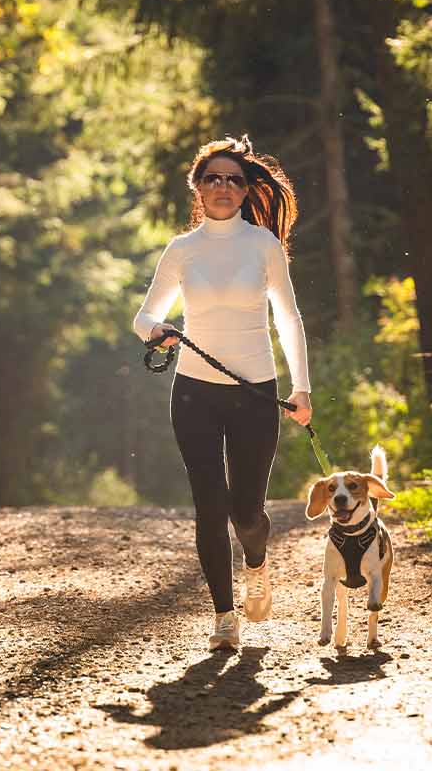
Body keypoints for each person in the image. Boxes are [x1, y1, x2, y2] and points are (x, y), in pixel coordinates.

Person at [132, 134, 312, 651]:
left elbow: (289, 319)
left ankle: (256, 562)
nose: (223, 186)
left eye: (234, 179)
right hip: (195, 394)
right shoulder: (182, 250)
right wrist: (157, 331)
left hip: (256, 394)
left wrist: (301, 387)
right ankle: (224, 617)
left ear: (246, 188)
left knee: (247, 514)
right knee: (210, 507)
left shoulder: (263, 245)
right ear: (198, 186)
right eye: (213, 178)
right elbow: (143, 316)